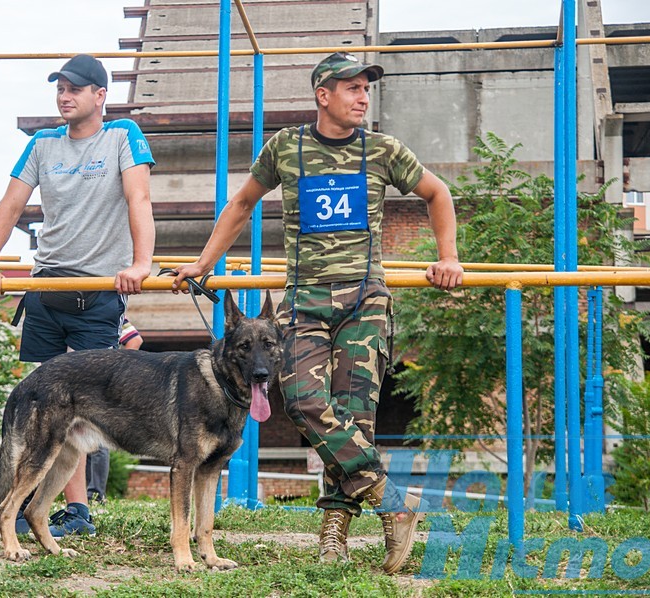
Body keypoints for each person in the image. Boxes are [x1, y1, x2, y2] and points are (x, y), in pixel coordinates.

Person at [172, 52, 463, 573]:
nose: (362, 96)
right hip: (304, 303)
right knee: (305, 400)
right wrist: (202, 263)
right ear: (322, 95)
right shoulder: (287, 147)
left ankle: (334, 535)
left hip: (363, 299)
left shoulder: (383, 150)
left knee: (354, 417)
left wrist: (448, 257)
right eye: (350, 88)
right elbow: (241, 204)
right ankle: (391, 502)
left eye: (365, 88)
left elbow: (436, 193)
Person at [0, 54, 155, 538]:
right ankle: (46, 504)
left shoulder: (122, 137)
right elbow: (10, 204)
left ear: (100, 95)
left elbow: (139, 199)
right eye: (60, 88)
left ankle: (76, 511)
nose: (64, 95)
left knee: (85, 403)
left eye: (76, 88)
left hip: (97, 291)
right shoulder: (42, 144)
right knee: (51, 408)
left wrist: (140, 264)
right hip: (47, 289)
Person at [85, 316, 143, 504]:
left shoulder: (111, 315)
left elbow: (134, 340)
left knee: (98, 440)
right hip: (80, 380)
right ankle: (83, 494)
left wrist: (115, 371)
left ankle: (95, 493)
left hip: (100, 382)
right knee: (79, 439)